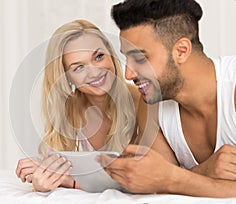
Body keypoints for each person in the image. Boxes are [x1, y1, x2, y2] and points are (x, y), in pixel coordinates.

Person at [98, 0, 236, 198]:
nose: (128, 73)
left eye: (140, 58)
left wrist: (175, 178)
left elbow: (168, 180)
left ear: (181, 51)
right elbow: (160, 188)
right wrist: (202, 172)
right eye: (126, 58)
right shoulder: (152, 105)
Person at [15, 19, 141, 192]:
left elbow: (143, 179)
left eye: (98, 57)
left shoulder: (142, 101)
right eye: (78, 67)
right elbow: (57, 167)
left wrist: (70, 182)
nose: (94, 72)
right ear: (66, 77)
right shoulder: (68, 112)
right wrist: (43, 178)